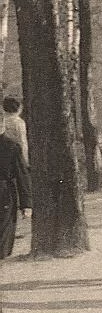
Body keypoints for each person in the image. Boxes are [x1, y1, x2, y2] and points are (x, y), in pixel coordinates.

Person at [0, 113, 32, 259]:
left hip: (5, 192)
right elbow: (22, 175)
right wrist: (26, 204)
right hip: (5, 194)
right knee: (4, 233)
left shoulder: (11, 146)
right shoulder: (12, 146)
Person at [2, 96, 29, 166]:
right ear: (19, 108)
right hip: (15, 156)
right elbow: (22, 142)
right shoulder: (19, 122)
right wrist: (25, 162)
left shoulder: (2, 121)